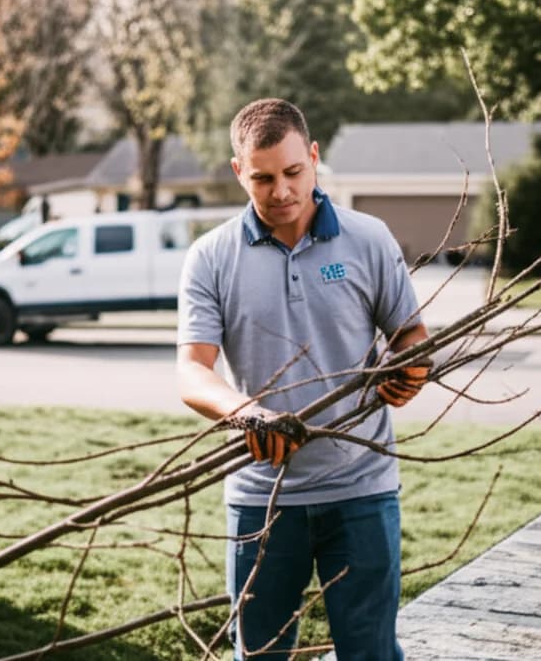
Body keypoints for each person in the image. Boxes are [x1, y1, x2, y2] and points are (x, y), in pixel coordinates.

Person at [176, 98, 430, 660]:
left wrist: (410, 368)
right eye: (262, 178)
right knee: (261, 655)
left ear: (314, 158)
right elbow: (193, 371)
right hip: (260, 500)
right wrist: (249, 413)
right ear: (239, 171)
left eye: (294, 172)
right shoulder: (211, 257)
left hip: (361, 489)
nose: (281, 191)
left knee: (370, 655)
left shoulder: (369, 239)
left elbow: (413, 337)